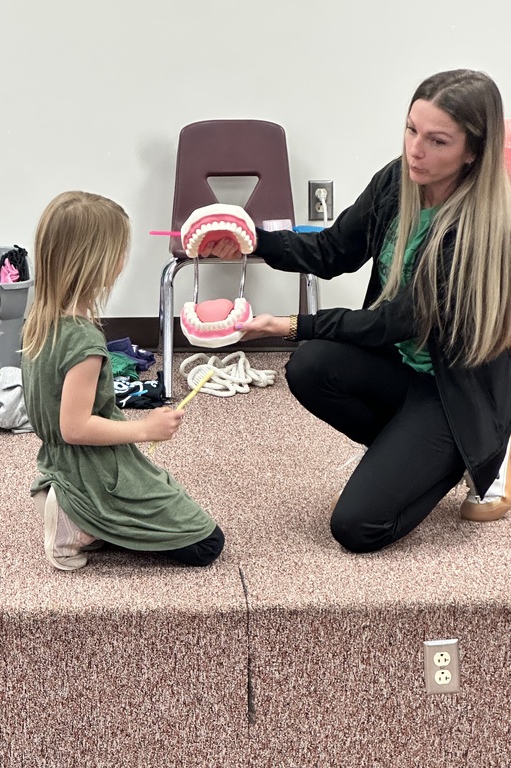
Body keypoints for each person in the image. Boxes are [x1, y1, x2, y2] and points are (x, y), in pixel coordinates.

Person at [203, 68, 511, 552]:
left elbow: (393, 321)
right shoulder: (397, 181)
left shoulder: (480, 229)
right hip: (399, 365)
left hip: (454, 393)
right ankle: (405, 455)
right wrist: (251, 240)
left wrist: (288, 324)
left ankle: (477, 453)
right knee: (311, 366)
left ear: (473, 151)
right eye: (411, 130)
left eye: (437, 141)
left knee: (357, 527)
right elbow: (332, 251)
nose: (415, 150)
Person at [21, 191, 224, 571]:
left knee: (161, 487)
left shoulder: (39, 321)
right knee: (206, 543)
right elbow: (75, 428)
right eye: (120, 251)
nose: (123, 260)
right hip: (92, 470)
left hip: (59, 460)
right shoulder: (84, 341)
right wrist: (146, 429)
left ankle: (79, 507)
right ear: (98, 261)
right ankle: (77, 518)